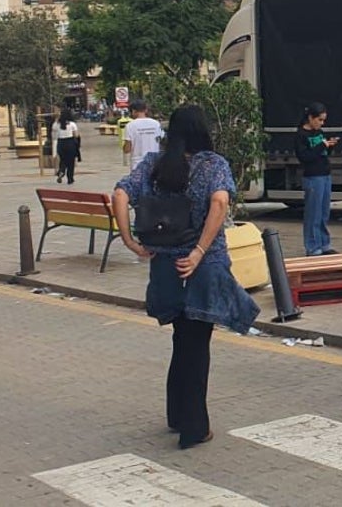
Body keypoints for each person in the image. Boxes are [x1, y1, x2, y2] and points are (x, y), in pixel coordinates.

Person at [113, 105, 259, 449]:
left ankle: (177, 414)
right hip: (202, 267)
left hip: (164, 266)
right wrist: (197, 252)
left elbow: (120, 193)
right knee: (196, 344)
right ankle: (195, 427)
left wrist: (130, 241)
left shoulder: (154, 165)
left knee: (182, 338)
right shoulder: (213, 165)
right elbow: (220, 204)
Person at [295, 102, 339, 256]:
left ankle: (324, 243)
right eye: (319, 120)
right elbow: (305, 157)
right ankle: (313, 247)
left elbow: (323, 153)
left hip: (325, 174)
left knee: (324, 212)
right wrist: (321, 146)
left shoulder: (319, 132)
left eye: (323, 121)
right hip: (313, 177)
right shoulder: (301, 135)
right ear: (310, 118)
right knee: (313, 213)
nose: (321, 123)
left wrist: (329, 145)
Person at [124, 98, 165, 171]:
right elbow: (162, 143)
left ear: (133, 111)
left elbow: (127, 149)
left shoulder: (130, 126)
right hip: (155, 163)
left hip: (137, 164)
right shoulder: (156, 124)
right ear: (146, 110)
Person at [52, 108, 81, 184]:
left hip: (61, 143)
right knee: (71, 161)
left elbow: (54, 134)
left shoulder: (56, 124)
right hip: (70, 143)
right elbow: (76, 135)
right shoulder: (72, 124)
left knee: (63, 160)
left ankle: (61, 171)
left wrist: (57, 119)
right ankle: (70, 178)